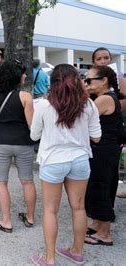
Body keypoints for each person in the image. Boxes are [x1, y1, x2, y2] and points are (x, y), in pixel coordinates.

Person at [29, 64, 101, 265]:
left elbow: (34, 135)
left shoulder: (43, 105)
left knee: (50, 210)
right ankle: (77, 252)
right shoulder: (88, 105)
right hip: (79, 160)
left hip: (53, 161)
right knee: (78, 208)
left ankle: (49, 259)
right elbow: (96, 137)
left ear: (52, 83)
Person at [0, 60, 36, 234]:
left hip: (1, 142)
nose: (25, 75)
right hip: (23, 142)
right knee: (27, 181)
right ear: (16, 76)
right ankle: (30, 218)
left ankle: (6, 221)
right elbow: (31, 126)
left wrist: (2, 121)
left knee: (1, 182)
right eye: (23, 72)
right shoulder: (25, 97)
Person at [84, 65, 122, 246]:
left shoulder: (104, 99)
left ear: (104, 80)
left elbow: (83, 119)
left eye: (90, 80)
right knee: (97, 187)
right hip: (105, 150)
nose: (87, 84)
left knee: (100, 188)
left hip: (103, 152)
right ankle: (98, 223)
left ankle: (105, 233)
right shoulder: (104, 97)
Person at [91, 47, 126, 200]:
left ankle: (107, 205)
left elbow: (123, 105)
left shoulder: (120, 80)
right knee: (96, 170)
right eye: (99, 59)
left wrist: (109, 102)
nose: (103, 61)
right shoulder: (91, 81)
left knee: (111, 170)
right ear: (94, 62)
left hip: (114, 130)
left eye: (106, 58)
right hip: (95, 131)